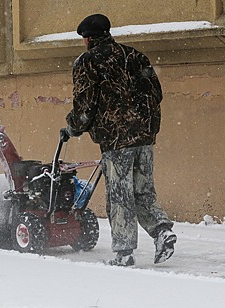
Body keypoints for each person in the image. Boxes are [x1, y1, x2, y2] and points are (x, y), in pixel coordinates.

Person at [63, 14, 177, 266]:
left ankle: (124, 253)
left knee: (120, 194)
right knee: (143, 190)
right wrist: (144, 124)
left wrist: (72, 127)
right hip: (144, 136)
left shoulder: (88, 61)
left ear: (88, 38)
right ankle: (162, 231)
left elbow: (85, 104)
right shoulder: (135, 56)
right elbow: (155, 94)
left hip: (116, 139)